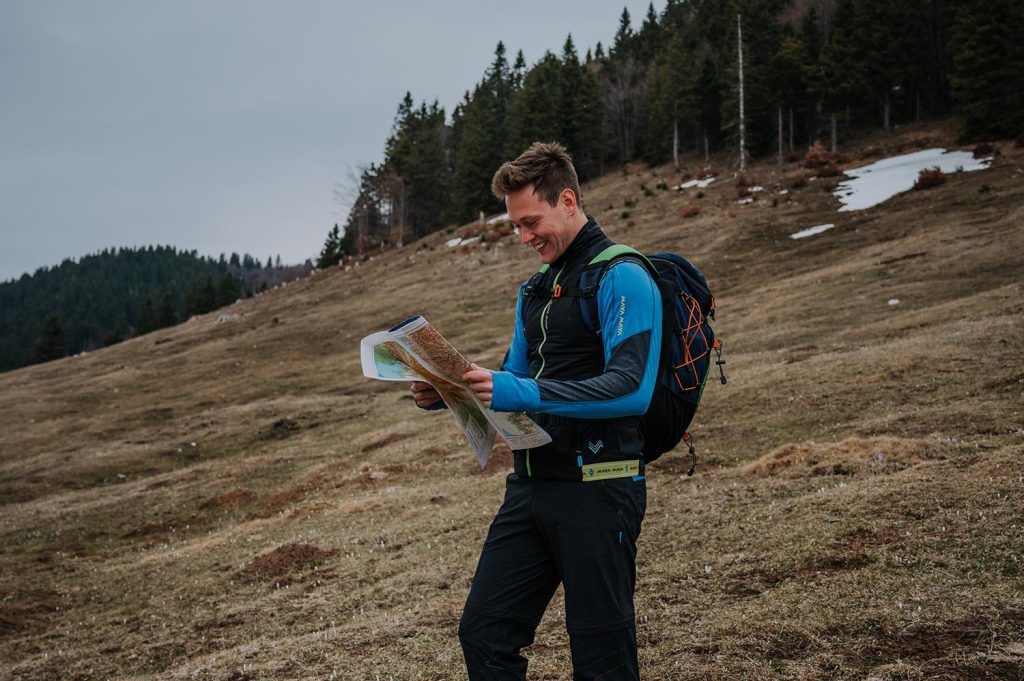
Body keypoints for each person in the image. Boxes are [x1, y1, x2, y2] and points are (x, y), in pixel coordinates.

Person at [411, 142, 661, 680]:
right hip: (530, 487)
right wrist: (449, 390)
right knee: (484, 633)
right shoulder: (535, 291)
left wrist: (516, 391)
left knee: (601, 657)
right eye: (517, 227)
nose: (525, 237)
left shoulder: (624, 275)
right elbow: (513, 382)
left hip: (600, 486)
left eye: (531, 222)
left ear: (567, 200)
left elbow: (631, 388)